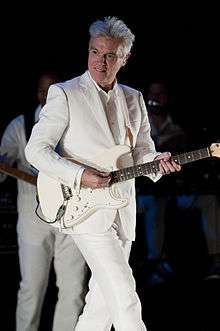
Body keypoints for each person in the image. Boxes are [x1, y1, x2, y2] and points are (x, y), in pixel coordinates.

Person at [25, 17, 181, 331]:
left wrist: (157, 160)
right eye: (95, 52)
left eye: (110, 55)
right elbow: (35, 150)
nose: (100, 61)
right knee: (125, 298)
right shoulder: (65, 93)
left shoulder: (134, 98)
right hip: (85, 211)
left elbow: (140, 151)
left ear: (125, 58)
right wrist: (79, 174)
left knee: (99, 308)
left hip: (122, 211)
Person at [0, 73, 88, 331]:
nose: (48, 97)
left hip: (72, 217)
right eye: (43, 92)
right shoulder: (21, 125)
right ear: (38, 94)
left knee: (73, 289)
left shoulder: (77, 124)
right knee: (31, 288)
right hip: (32, 221)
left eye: (54, 91)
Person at [136, 81, 187, 285]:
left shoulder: (177, 126)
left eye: (161, 94)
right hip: (139, 190)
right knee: (154, 205)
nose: (156, 98)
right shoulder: (139, 121)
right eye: (152, 93)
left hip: (170, 189)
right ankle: (156, 262)